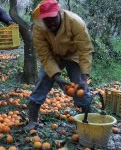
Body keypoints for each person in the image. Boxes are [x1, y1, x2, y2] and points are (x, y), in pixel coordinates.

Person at [23, 0, 94, 131]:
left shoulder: (75, 22)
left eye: (53, 19)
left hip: (74, 55)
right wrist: (56, 77)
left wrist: (84, 77)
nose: (50, 24)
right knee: (42, 83)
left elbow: (85, 50)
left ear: (59, 13)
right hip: (53, 56)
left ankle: (88, 120)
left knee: (80, 87)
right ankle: (32, 120)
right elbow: (44, 54)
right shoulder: (38, 28)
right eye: (46, 20)